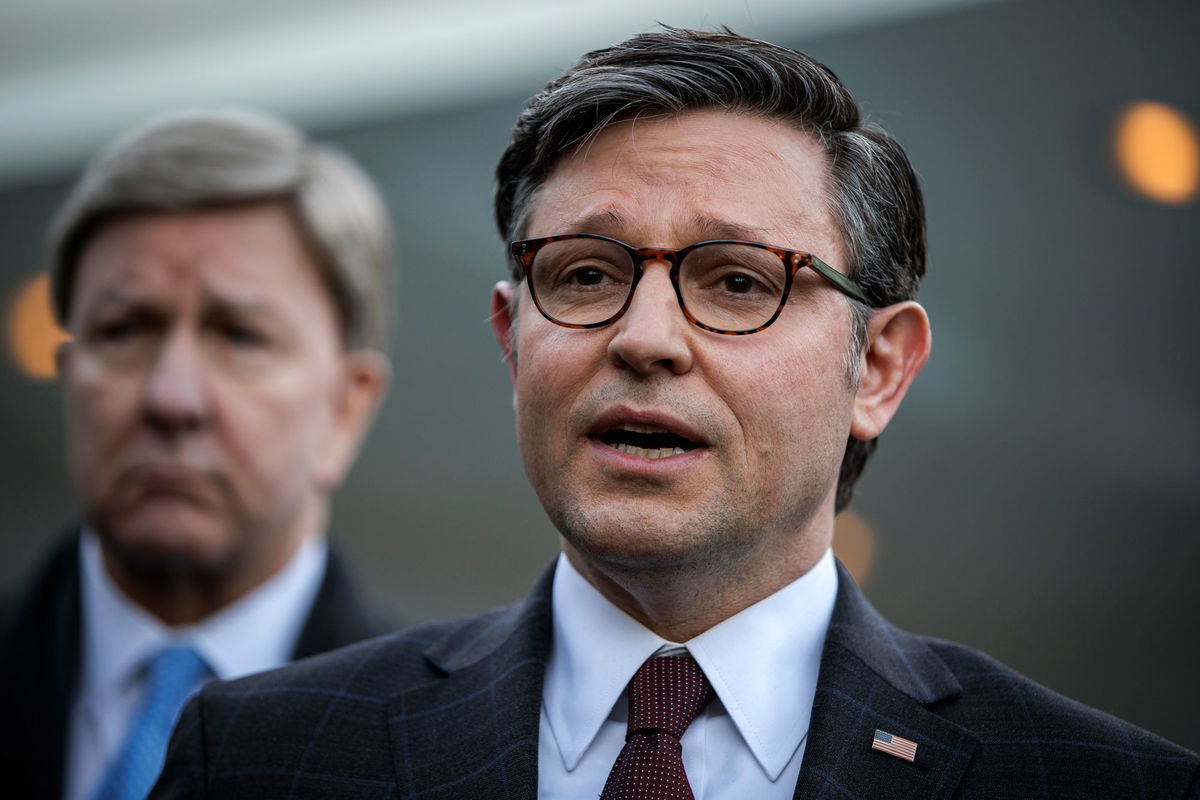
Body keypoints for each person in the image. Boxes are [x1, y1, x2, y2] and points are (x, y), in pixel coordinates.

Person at [150, 30, 1199, 799]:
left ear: (878, 366)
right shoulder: (259, 755)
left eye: (739, 281)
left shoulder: (1101, 784)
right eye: (588, 272)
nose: (645, 336)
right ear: (513, 339)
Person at [0, 108, 399, 800]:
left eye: (240, 336)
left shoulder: (452, 749)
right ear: (68, 378)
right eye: (124, 330)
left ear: (346, 408)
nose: (172, 398)